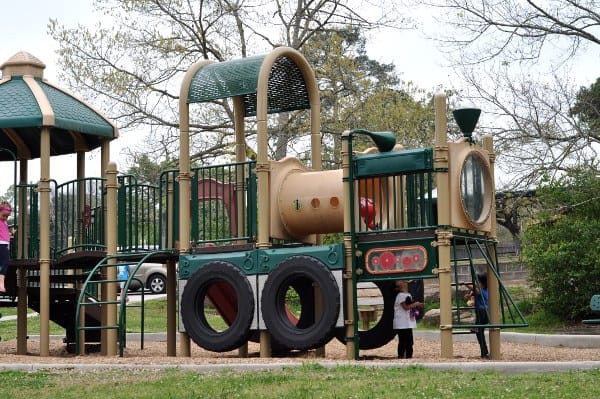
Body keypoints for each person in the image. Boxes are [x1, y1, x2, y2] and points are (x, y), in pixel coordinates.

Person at [393, 280, 422, 359]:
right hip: (402, 323)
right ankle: (401, 356)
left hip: (407, 322)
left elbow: (409, 307)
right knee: (403, 340)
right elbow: (405, 307)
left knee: (409, 341)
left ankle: (408, 356)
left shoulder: (407, 294)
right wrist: (415, 304)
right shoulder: (400, 295)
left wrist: (413, 311)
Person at [466, 273, 489, 358]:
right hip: (486, 313)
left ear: (481, 283)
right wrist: (470, 297)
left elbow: (475, 290)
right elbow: (474, 296)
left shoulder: (481, 290)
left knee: (479, 332)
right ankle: (484, 352)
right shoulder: (487, 290)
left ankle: (475, 327)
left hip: (482, 311)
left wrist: (465, 284)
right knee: (480, 333)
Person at [0, 202, 12, 293]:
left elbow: (4, 233)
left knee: (4, 263)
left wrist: (11, 234)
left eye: (7, 217)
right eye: (4, 215)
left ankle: (1, 283)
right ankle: (1, 283)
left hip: (5, 244)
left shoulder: (5, 222)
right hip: (1, 244)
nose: (5, 218)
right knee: (4, 263)